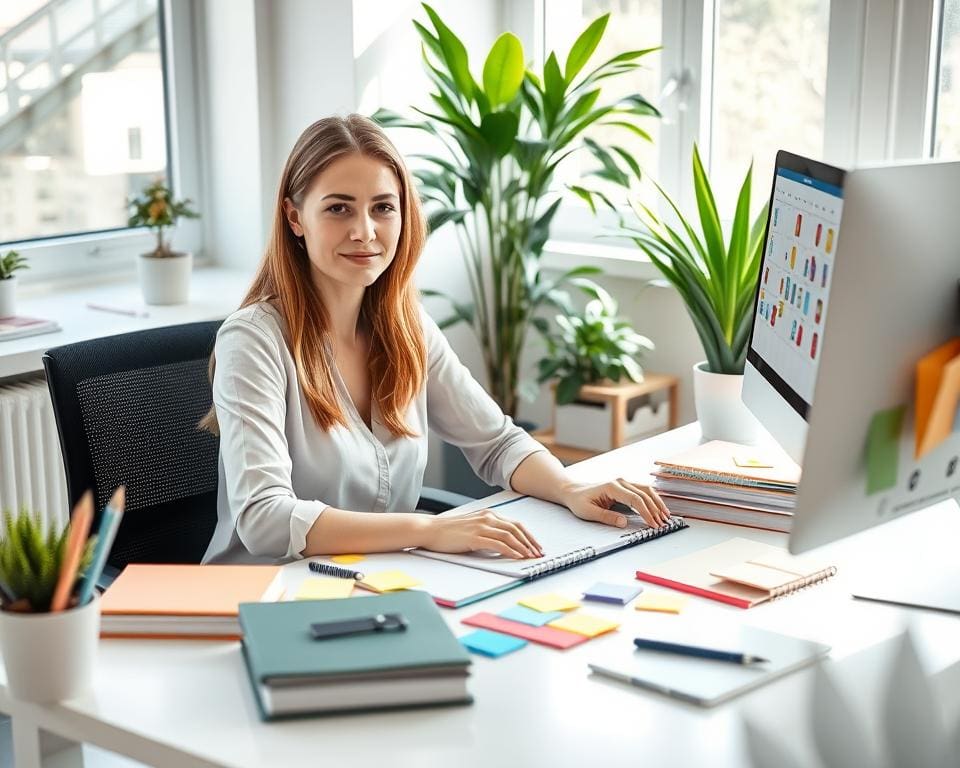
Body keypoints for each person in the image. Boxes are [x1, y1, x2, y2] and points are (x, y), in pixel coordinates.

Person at [200, 114, 671, 565]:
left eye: (383, 207)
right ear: (295, 217)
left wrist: (571, 489)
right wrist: (429, 530)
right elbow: (263, 520)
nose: (364, 231)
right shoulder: (253, 342)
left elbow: (497, 442)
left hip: (374, 584)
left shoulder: (407, 327)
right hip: (263, 599)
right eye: (338, 208)